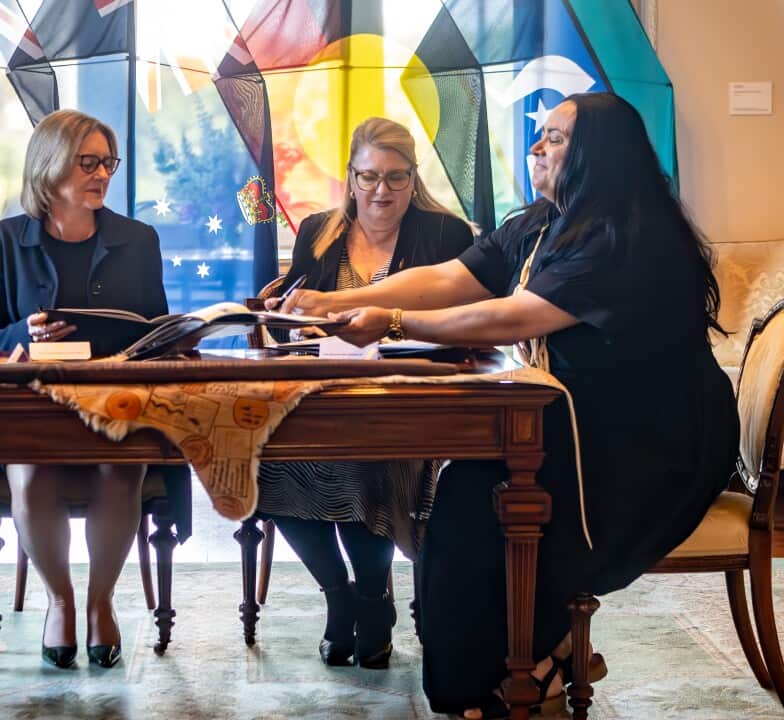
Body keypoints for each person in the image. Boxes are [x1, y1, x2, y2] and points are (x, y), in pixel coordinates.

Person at [276, 92, 737, 718]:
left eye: (555, 137)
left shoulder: (623, 234)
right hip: (577, 422)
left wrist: (389, 321)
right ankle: (508, 665)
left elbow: (508, 316)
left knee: (481, 506)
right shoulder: (542, 220)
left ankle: (523, 668)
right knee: (460, 493)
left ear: (599, 153)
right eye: (538, 134)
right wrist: (330, 303)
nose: (536, 147)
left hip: (647, 443)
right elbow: (451, 278)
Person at [0, 109, 191, 669]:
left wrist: (176, 336)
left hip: (115, 399)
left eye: (107, 163)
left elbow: (154, 329)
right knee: (33, 467)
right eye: (86, 162)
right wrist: (24, 332)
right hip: (34, 403)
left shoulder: (138, 240)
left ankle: (100, 603)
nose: (101, 174)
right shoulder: (1, 241)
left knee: (123, 465)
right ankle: (60, 602)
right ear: (49, 166)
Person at [257, 117, 475, 668]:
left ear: (413, 178)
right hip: (322, 393)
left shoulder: (446, 235)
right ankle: (341, 596)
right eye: (369, 177)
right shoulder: (317, 231)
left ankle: (374, 599)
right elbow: (296, 316)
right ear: (350, 178)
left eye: (396, 178)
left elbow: (460, 320)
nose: (382, 191)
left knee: (366, 462)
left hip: (408, 398)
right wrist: (287, 318)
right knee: (266, 464)